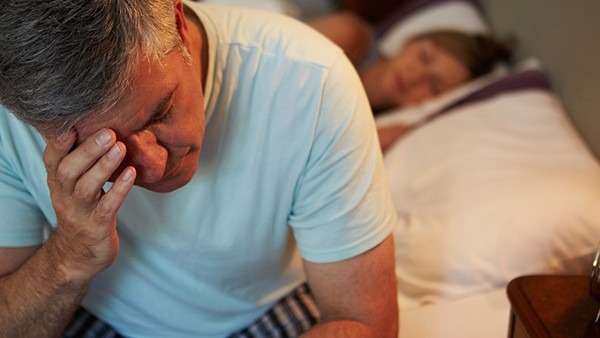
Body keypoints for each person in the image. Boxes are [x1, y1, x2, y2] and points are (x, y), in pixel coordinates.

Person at [0, 1, 398, 337]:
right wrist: (71, 256)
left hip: (258, 311)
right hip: (90, 313)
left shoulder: (310, 82)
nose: (154, 169)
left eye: (162, 111)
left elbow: (362, 322)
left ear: (178, 25)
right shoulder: (8, 123)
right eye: (100, 149)